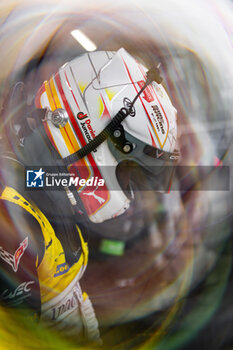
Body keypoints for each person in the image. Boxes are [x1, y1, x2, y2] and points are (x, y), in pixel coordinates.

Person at [0, 48, 178, 344]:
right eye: (130, 176)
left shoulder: (54, 211)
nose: (130, 195)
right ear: (91, 135)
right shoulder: (11, 218)